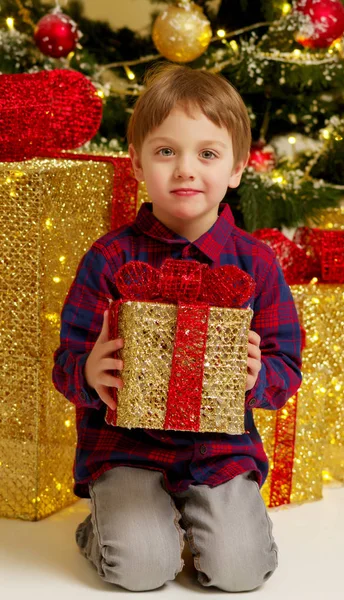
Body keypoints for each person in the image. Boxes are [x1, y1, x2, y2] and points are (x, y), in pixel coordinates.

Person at [52, 62, 302, 593]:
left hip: (219, 452)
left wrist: (259, 377)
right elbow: (66, 364)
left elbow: (287, 364)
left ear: (237, 168)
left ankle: (205, 522)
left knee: (238, 573)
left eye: (207, 154)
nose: (186, 169)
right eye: (166, 151)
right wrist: (90, 373)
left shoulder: (256, 262)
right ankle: (105, 528)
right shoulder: (108, 257)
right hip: (126, 449)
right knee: (141, 571)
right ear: (138, 163)